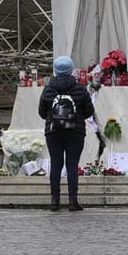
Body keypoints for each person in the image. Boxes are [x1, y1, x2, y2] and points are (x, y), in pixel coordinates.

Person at [40, 55, 95, 211]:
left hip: (53, 132)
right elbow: (89, 111)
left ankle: (54, 201)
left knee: (56, 164)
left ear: (55, 70)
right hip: (75, 132)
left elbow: (42, 112)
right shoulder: (80, 88)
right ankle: (72, 201)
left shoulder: (48, 88)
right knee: (72, 165)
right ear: (71, 70)